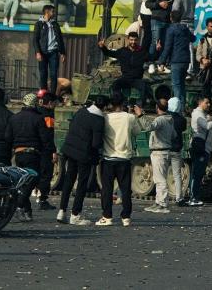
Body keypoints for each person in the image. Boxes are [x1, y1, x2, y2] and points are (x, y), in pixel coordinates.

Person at [57, 97, 106, 226]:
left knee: (69, 179)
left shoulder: (81, 111)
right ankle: (75, 214)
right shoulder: (99, 119)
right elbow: (96, 143)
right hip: (84, 154)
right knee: (81, 184)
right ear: (105, 107)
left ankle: (62, 211)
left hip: (70, 149)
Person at [96, 93, 141, 226]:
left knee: (107, 189)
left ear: (110, 104)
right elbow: (137, 132)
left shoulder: (105, 117)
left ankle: (107, 216)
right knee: (126, 189)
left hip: (108, 158)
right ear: (123, 103)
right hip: (124, 159)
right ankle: (126, 217)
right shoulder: (129, 118)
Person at [5, 93, 51, 222]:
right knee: (32, 180)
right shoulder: (38, 119)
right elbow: (45, 139)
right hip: (33, 154)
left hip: (19, 154)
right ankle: (19, 204)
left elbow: (8, 137)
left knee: (23, 181)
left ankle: (27, 211)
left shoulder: (14, 118)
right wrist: (49, 152)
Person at [134, 100, 176, 214]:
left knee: (160, 179)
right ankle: (158, 202)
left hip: (159, 151)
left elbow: (148, 127)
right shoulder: (170, 120)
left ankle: (162, 204)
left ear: (157, 107)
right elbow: (174, 135)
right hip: (165, 150)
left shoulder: (160, 119)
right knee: (159, 178)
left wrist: (140, 115)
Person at [189, 95, 212, 206]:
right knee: (197, 173)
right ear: (200, 103)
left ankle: (195, 196)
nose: (209, 104)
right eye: (207, 102)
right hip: (200, 147)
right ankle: (193, 197)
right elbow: (207, 126)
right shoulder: (197, 114)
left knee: (199, 173)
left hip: (204, 147)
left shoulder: (202, 114)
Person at [98, 32, 150, 105]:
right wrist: (102, 47)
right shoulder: (122, 51)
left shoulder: (142, 52)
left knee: (144, 87)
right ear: (128, 40)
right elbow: (109, 53)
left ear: (137, 40)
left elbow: (153, 57)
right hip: (125, 78)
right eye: (131, 40)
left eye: (135, 40)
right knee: (115, 85)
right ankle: (120, 102)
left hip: (136, 79)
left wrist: (158, 50)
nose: (133, 42)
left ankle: (140, 106)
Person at [158, 10, 196, 101]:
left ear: (171, 18)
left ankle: (177, 109)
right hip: (185, 60)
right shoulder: (185, 28)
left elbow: (167, 47)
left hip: (176, 60)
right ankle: (182, 107)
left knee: (176, 85)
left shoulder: (171, 29)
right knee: (182, 85)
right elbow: (193, 38)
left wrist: (161, 61)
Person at [145, 0, 176, 72]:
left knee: (165, 43)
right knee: (155, 42)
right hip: (156, 20)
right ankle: (151, 63)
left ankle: (161, 64)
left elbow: (173, 5)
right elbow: (147, 4)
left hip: (167, 21)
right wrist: (159, 4)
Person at [33, 4, 66, 94]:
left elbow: (60, 38)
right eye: (52, 11)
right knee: (43, 74)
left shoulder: (55, 24)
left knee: (53, 74)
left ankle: (52, 95)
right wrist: (38, 52)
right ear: (47, 12)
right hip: (43, 53)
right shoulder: (39, 24)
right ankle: (44, 94)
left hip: (53, 53)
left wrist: (63, 53)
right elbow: (35, 40)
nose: (54, 13)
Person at [36, 90, 58, 210]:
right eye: (54, 103)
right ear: (49, 103)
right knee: (46, 174)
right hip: (45, 150)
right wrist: (53, 150)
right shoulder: (48, 115)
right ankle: (43, 199)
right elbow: (48, 134)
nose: (55, 106)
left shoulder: (37, 111)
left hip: (36, 147)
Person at [171, 0, 196, 72]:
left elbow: (175, 10)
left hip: (181, 23)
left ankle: (180, 68)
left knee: (179, 45)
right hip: (191, 23)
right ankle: (190, 69)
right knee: (190, 46)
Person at [167, 97, 188, 207]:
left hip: (165, 149)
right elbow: (183, 129)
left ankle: (161, 198)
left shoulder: (165, 118)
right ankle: (179, 198)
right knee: (177, 175)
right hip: (177, 149)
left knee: (161, 175)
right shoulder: (182, 120)